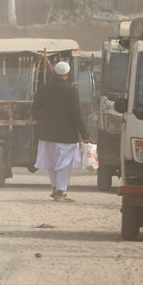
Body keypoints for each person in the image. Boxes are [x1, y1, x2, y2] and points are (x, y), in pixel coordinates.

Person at [32, 61, 92, 202]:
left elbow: (35, 109)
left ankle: (55, 187)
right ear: (68, 74)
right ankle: (60, 190)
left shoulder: (43, 88)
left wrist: (41, 120)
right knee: (64, 163)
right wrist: (86, 134)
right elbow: (77, 114)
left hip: (46, 133)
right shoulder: (71, 90)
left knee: (51, 162)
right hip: (66, 135)